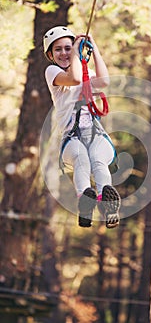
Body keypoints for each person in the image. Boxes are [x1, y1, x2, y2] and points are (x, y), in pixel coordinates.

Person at [43, 25, 120, 228]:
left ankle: (108, 202)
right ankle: (85, 202)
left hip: (96, 133)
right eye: (58, 49)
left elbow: (104, 81)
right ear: (50, 55)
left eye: (68, 48)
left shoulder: (86, 72)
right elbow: (74, 78)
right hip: (72, 137)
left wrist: (93, 48)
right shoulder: (53, 72)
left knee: (97, 159)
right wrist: (77, 51)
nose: (64, 53)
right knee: (81, 158)